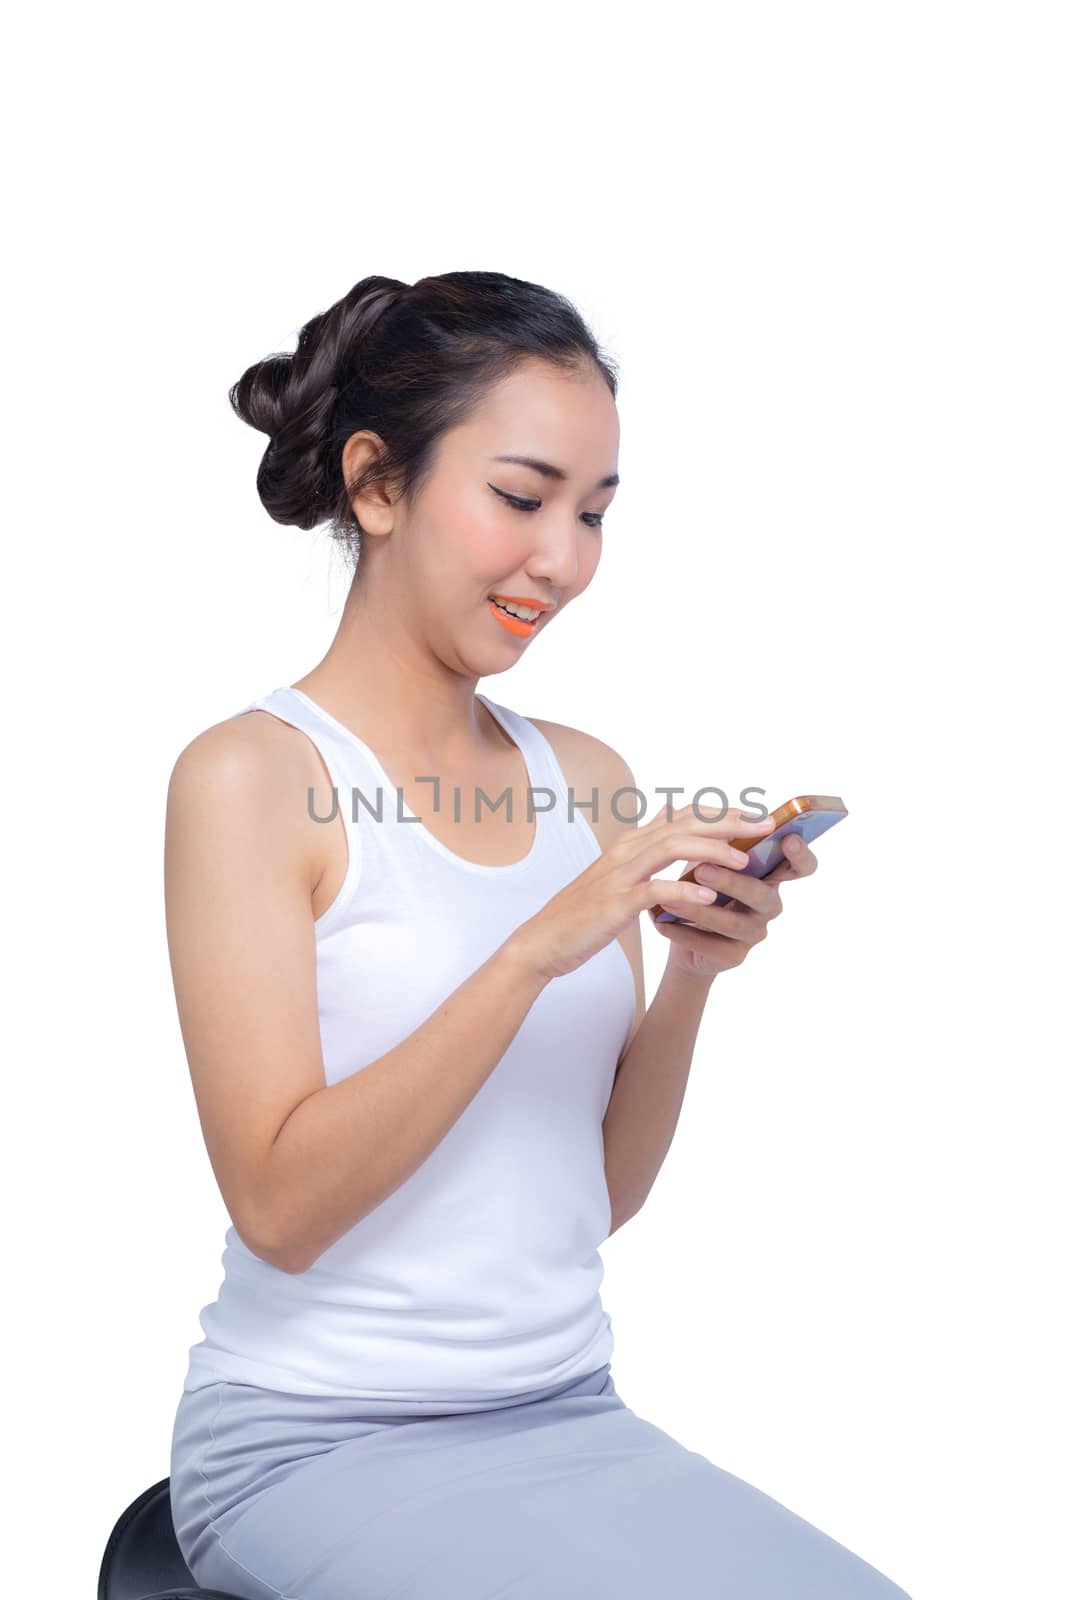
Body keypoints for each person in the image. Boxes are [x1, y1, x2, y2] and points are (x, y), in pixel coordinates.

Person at [165, 270, 911, 1599]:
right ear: (378, 484)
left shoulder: (588, 778)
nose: (562, 560)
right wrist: (529, 948)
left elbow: (597, 1199)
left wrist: (690, 975)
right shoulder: (251, 780)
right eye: (521, 498)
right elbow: (279, 1210)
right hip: (314, 1443)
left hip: (568, 1415)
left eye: (594, 513)